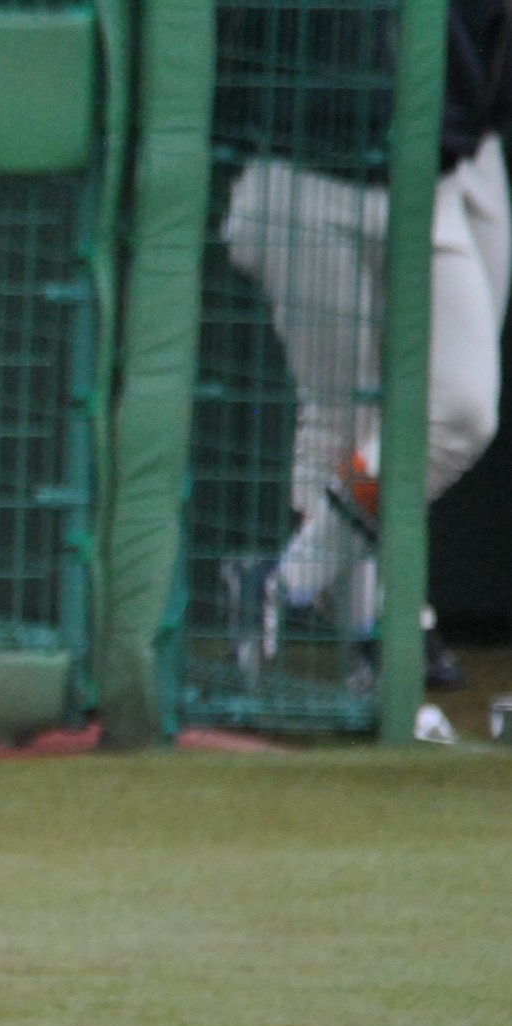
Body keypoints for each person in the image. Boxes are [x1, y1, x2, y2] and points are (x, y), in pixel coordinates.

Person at [220, 0, 512, 691]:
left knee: (462, 410)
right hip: (307, 181)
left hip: (432, 185)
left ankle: (283, 582)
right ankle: (377, 631)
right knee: (342, 420)